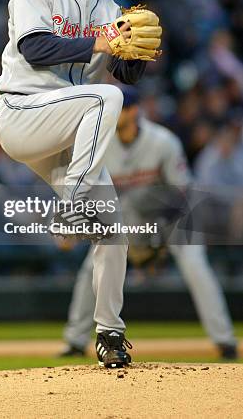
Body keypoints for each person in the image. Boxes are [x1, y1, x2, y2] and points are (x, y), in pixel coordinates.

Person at [0, 0, 161, 368]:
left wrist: (136, 54)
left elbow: (123, 69)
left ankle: (109, 333)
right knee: (105, 97)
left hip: (70, 129)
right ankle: (74, 201)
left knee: (113, 228)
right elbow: (35, 49)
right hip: (22, 113)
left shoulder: (106, 5)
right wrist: (104, 41)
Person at [60, 89, 238, 361]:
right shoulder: (97, 144)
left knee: (195, 266)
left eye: (121, 108)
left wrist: (155, 239)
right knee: (91, 268)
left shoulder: (162, 141)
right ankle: (75, 340)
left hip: (172, 218)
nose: (113, 113)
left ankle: (225, 341)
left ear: (133, 112)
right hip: (127, 220)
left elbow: (183, 194)